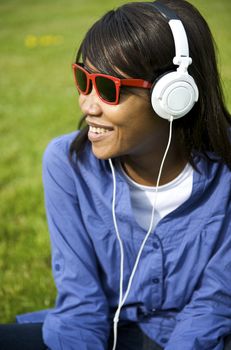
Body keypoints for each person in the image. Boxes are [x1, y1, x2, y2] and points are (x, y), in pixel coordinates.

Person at [1, 0, 231, 349]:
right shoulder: (66, 164)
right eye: (83, 79)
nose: (87, 105)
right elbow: (82, 305)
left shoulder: (225, 172)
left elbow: (216, 302)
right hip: (105, 332)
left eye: (108, 88)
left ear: (175, 96)